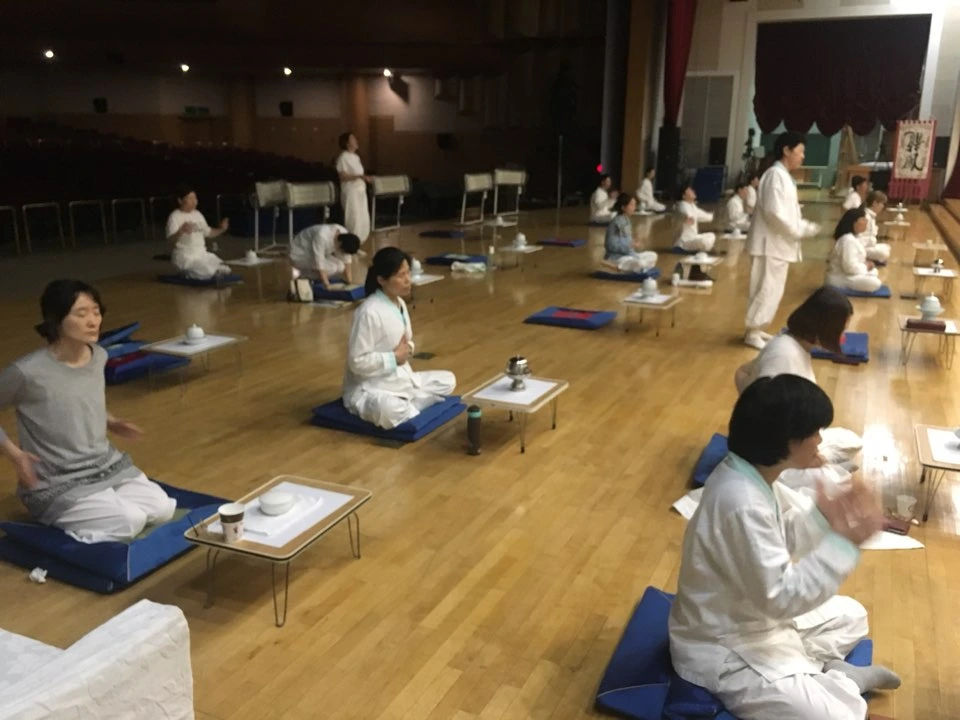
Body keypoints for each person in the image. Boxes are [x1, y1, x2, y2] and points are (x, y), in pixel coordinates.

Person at [670, 375, 900, 720]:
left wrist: (823, 517)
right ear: (786, 441)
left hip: (755, 618)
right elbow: (782, 598)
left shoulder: (749, 474)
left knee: (852, 615)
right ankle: (841, 682)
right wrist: (843, 545)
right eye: (814, 432)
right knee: (835, 717)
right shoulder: (741, 501)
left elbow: (779, 539)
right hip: (723, 646)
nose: (820, 440)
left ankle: (822, 676)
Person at [0, 280, 176, 543]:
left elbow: (79, 400)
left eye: (96, 312)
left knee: (162, 509)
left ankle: (104, 503)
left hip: (105, 465)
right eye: (81, 314)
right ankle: (65, 520)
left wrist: (111, 422)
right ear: (56, 320)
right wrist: (16, 456)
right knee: (131, 520)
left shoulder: (99, 356)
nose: (93, 321)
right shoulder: (26, 371)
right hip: (55, 480)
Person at [735, 287, 862, 477]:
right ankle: (816, 472)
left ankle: (822, 469)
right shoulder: (783, 355)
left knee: (851, 440)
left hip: (797, 438)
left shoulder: (792, 343)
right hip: (776, 451)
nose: (843, 335)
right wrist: (809, 457)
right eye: (841, 329)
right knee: (833, 478)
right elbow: (771, 422)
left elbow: (742, 373)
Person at [343, 247, 456, 430]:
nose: (407, 280)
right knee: (390, 410)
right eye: (401, 275)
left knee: (448, 379)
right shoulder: (368, 312)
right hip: (370, 388)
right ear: (381, 280)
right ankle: (412, 404)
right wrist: (393, 358)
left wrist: (408, 349)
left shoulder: (400, 303)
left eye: (408, 273)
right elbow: (356, 362)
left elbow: (407, 342)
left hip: (399, 379)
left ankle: (411, 403)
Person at [744, 132, 821, 350]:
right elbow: (775, 213)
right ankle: (752, 331)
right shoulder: (775, 175)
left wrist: (801, 224)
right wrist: (798, 229)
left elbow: (786, 211)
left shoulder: (783, 176)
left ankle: (758, 327)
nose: (803, 157)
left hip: (778, 243)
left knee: (773, 289)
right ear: (786, 150)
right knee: (765, 288)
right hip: (770, 243)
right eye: (800, 151)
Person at [165, 186, 231, 280]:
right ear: (180, 200)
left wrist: (222, 229)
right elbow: (170, 241)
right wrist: (181, 231)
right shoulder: (174, 217)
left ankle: (202, 271)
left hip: (201, 254)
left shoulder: (198, 214)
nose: (194, 201)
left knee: (224, 269)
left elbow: (209, 233)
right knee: (208, 271)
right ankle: (188, 274)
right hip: (185, 256)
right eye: (190, 198)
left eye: (195, 198)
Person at [826, 208, 882, 295]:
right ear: (854, 222)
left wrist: (865, 265)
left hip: (848, 274)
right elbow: (849, 267)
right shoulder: (847, 240)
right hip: (839, 278)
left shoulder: (853, 237)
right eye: (863, 219)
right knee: (875, 283)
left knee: (874, 272)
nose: (866, 222)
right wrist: (866, 267)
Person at [289, 224, 361, 290]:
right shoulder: (322, 236)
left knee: (340, 266)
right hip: (300, 253)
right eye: (342, 251)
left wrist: (350, 283)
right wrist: (327, 285)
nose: (342, 253)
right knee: (332, 268)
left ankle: (310, 274)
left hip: (315, 253)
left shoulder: (344, 234)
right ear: (340, 244)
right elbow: (319, 264)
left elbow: (347, 261)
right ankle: (304, 275)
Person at [602, 194, 658, 272]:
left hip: (630, 255)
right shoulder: (616, 222)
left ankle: (639, 266)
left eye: (634, 205)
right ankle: (618, 266)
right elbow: (610, 245)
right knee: (639, 263)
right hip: (617, 257)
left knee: (653, 255)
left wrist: (634, 243)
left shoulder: (627, 220)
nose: (634, 208)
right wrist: (629, 245)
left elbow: (628, 243)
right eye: (631, 205)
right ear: (623, 207)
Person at [336, 132, 372, 244]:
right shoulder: (343, 157)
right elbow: (343, 177)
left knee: (363, 217)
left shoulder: (356, 157)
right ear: (347, 143)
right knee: (354, 218)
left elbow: (359, 173)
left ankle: (360, 242)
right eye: (353, 139)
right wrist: (359, 176)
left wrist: (365, 178)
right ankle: (352, 243)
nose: (356, 140)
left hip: (360, 191)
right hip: (351, 192)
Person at [675, 184, 716, 252]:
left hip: (693, 237)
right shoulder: (682, 205)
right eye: (689, 191)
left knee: (711, 235)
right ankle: (706, 248)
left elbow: (706, 217)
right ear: (684, 196)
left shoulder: (692, 206)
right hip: (684, 241)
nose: (693, 191)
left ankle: (706, 247)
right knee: (703, 241)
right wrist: (686, 218)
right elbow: (688, 218)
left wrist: (712, 215)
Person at [858, 190, 891, 264]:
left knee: (887, 247)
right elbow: (862, 236)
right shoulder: (866, 216)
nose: (882, 206)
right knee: (884, 253)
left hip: (868, 245)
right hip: (862, 247)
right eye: (881, 204)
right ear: (874, 203)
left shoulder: (871, 216)